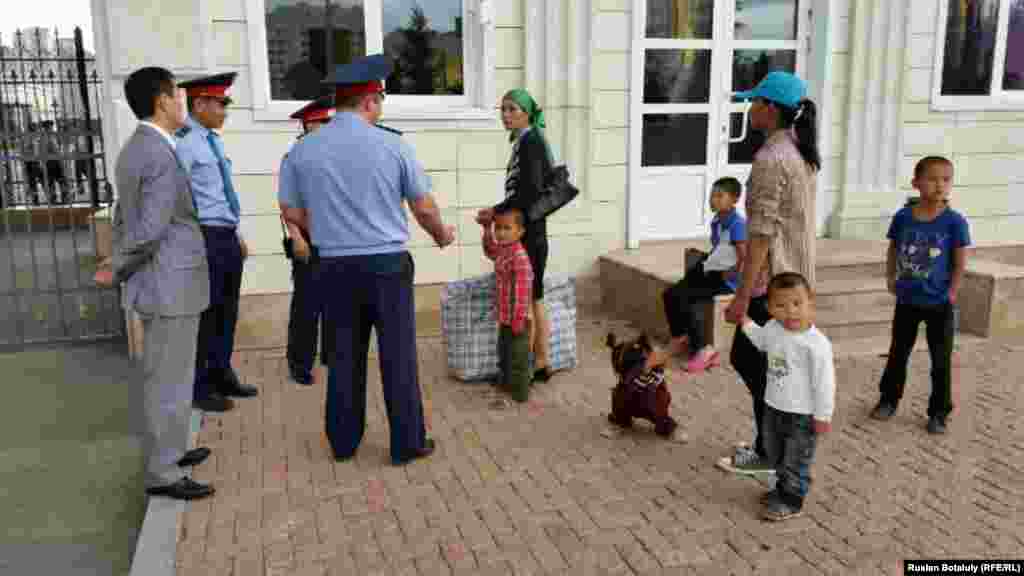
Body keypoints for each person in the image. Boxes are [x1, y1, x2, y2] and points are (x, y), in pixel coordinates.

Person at [278, 54, 456, 465]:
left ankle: (343, 442)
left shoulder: (303, 151)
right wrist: (441, 235)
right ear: (370, 100)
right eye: (381, 99)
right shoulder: (393, 145)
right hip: (387, 267)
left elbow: (290, 210)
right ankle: (407, 443)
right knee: (397, 356)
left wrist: (322, 226)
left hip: (334, 266)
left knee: (343, 355)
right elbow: (424, 207)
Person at [95, 67, 214, 500]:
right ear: (162, 101)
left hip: (163, 283)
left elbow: (124, 216)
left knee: (172, 376)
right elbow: (148, 228)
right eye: (178, 97)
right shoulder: (157, 153)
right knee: (168, 380)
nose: (182, 104)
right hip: (170, 286)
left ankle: (173, 450)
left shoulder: (139, 148)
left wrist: (121, 261)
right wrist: (118, 266)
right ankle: (164, 472)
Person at [721, 71, 821, 476]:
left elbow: (761, 234)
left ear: (771, 108)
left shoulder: (770, 158)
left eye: (755, 101)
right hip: (794, 275)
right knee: (769, 365)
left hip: (773, 282)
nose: (750, 108)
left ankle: (773, 451)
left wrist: (742, 296)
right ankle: (770, 445)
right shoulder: (799, 149)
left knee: (757, 363)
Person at [176, 72, 258, 413]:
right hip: (203, 237)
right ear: (199, 104)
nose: (225, 110)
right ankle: (202, 386)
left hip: (223, 236)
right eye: (220, 103)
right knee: (208, 314)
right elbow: (179, 198)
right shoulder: (185, 144)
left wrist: (234, 235)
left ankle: (222, 373)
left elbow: (217, 196)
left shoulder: (210, 140)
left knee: (227, 311)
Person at [870, 156, 970, 435]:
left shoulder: (954, 222)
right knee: (898, 353)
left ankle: (939, 412)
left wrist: (951, 293)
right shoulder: (903, 217)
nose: (940, 185)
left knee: (941, 360)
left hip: (939, 303)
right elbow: (893, 249)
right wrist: (890, 276)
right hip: (907, 300)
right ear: (916, 183)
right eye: (933, 178)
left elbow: (960, 263)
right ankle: (888, 400)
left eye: (946, 179)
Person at [739, 272, 835, 521]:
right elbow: (761, 341)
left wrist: (823, 415)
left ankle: (792, 501)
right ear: (770, 308)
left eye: (797, 303)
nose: (790, 311)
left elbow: (825, 383)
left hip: (802, 415)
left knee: (796, 459)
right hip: (773, 407)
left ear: (810, 302)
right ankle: (782, 489)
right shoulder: (772, 328)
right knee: (776, 453)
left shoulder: (816, 344)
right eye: (780, 305)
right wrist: (745, 323)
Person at [476, 89, 555, 383]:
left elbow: (528, 193)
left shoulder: (531, 141)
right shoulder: (526, 140)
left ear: (526, 112)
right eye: (503, 109)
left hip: (529, 233)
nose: (506, 115)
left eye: (512, 109)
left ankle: (527, 367)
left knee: (527, 298)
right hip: (532, 230)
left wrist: (496, 212)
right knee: (535, 298)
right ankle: (542, 361)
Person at [662, 176, 747, 373]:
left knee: (691, 300)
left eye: (719, 196)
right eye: (712, 195)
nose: (713, 200)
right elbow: (721, 250)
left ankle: (705, 351)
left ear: (734, 199)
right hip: (711, 269)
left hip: (727, 278)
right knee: (670, 294)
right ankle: (680, 338)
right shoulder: (717, 221)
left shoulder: (737, 224)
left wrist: (730, 274)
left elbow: (745, 257)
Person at [282, 94, 335, 385]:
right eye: (323, 122)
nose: (328, 127)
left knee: (335, 302)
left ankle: (331, 354)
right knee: (306, 304)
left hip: (335, 241)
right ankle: (299, 363)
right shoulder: (295, 157)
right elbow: (286, 202)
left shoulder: (333, 154)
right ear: (308, 124)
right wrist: (296, 237)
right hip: (307, 239)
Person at [481, 205, 534, 404]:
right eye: (498, 228)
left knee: (519, 356)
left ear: (520, 232)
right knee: (504, 352)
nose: (500, 233)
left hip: (518, 319)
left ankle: (520, 392)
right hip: (505, 317)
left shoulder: (519, 257)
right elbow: (489, 250)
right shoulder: (504, 251)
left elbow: (522, 292)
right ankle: (505, 383)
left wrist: (518, 319)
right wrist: (487, 229)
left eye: (506, 228)